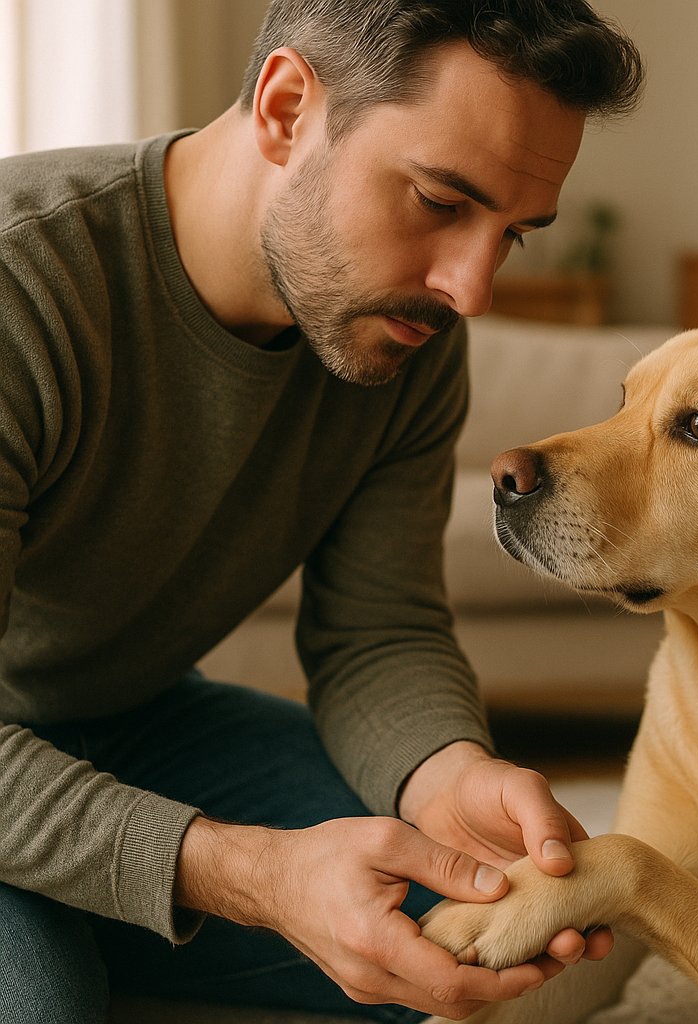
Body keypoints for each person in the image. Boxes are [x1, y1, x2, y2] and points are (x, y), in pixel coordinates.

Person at [0, 1, 644, 1021]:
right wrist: (244, 873)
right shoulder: (21, 283)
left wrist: (447, 775)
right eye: (440, 199)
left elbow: (376, 630)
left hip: (122, 722)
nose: (471, 288)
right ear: (287, 107)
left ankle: (91, 895)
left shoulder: (405, 331)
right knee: (40, 999)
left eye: (509, 234)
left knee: (482, 924)